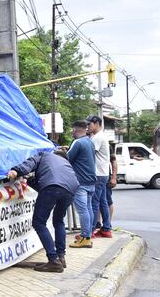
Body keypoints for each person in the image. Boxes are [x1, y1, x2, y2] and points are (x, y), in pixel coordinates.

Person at [8, 149, 79, 271]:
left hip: (52, 187)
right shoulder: (66, 163)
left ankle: (53, 260)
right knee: (58, 221)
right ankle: (61, 257)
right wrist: (30, 182)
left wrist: (15, 171)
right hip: (71, 189)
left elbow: (29, 164)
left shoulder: (44, 155)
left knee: (39, 222)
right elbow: (45, 183)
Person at [67, 121, 96, 250]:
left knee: (83, 210)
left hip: (81, 182)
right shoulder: (89, 141)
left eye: (72, 129)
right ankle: (88, 236)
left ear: (75, 129)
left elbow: (67, 158)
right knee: (88, 209)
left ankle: (85, 238)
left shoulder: (77, 142)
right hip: (90, 181)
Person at [86, 116, 112, 238]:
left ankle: (90, 231)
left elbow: (89, 154)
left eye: (89, 124)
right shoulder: (101, 136)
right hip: (103, 173)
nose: (88, 126)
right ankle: (106, 228)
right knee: (102, 201)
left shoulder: (97, 137)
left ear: (96, 123)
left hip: (98, 174)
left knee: (94, 203)